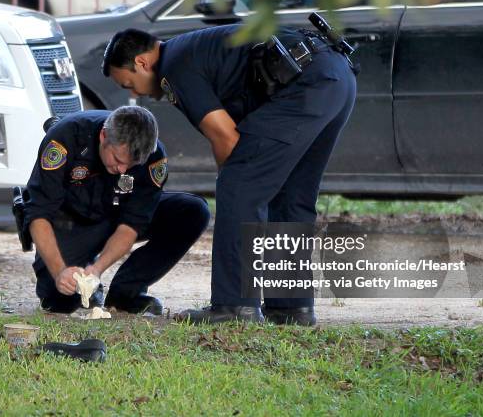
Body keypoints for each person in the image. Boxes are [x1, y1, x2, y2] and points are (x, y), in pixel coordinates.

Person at [103, 26, 357, 324]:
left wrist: (235, 186)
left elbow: (225, 137)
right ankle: (292, 310)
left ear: (142, 63)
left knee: (239, 189)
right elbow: (225, 138)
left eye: (129, 84)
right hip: (336, 76)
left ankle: (235, 306)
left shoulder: (174, 68)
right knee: (290, 198)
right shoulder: (192, 50)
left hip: (306, 84)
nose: (134, 93)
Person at [24, 106, 210, 314]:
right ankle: (84, 284)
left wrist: (96, 271)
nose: (123, 170)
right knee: (60, 299)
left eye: (131, 165)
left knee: (193, 212)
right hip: (72, 221)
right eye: (119, 160)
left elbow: (131, 224)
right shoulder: (66, 138)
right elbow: (39, 214)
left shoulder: (154, 156)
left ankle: (127, 293)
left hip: (118, 214)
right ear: (104, 136)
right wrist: (60, 271)